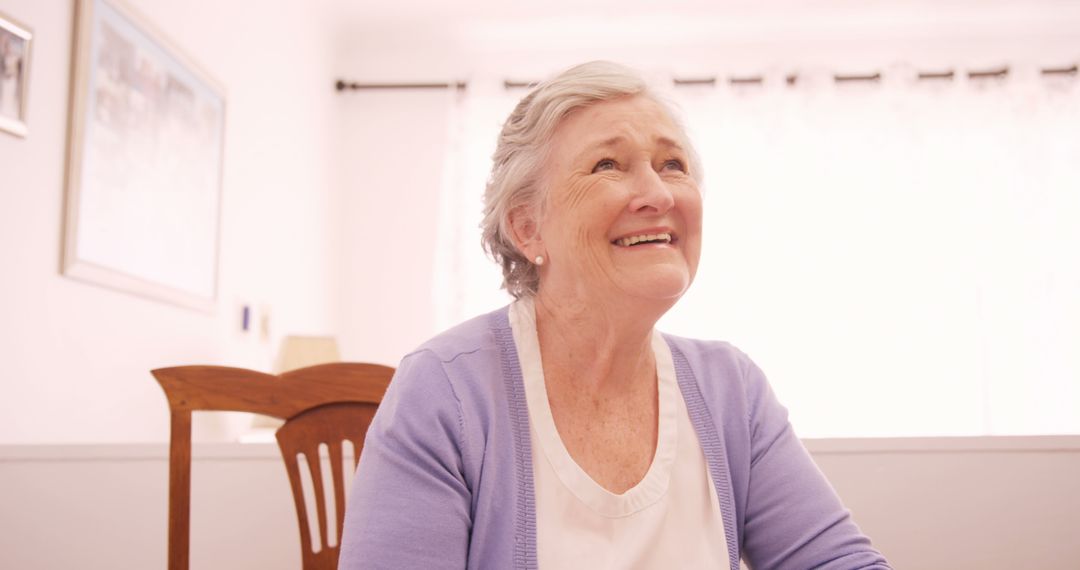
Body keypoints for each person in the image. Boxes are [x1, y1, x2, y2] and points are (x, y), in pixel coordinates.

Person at [339, 61, 889, 570]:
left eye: (672, 164)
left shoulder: (731, 391)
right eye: (608, 165)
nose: (657, 193)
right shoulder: (446, 391)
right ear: (528, 227)